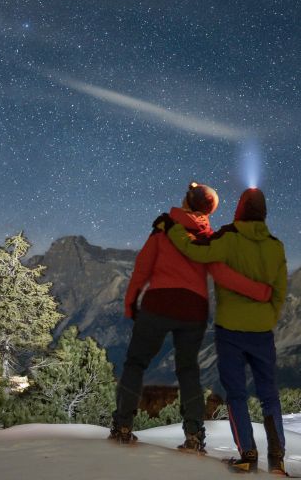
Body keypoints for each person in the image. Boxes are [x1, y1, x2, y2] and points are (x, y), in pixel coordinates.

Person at [108, 182, 272, 455]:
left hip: (159, 304)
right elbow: (223, 275)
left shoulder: (163, 229)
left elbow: (142, 267)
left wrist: (130, 303)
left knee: (135, 362)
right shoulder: (209, 238)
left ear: (187, 202)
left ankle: (123, 426)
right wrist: (258, 290)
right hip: (193, 311)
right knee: (188, 370)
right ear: (208, 210)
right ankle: (194, 435)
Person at [166, 187, 288, 476]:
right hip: (262, 331)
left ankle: (247, 454)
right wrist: (268, 316)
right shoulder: (275, 245)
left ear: (240, 209)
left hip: (230, 330)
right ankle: (277, 459)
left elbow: (194, 250)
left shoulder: (228, 237)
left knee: (236, 394)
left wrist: (174, 229)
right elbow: (280, 290)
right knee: (269, 395)